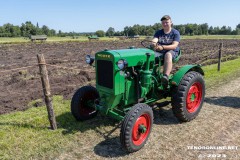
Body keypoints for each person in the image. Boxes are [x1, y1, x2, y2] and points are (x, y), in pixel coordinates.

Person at [152, 15, 180, 88]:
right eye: (163, 23)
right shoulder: (159, 32)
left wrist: (163, 47)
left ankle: (165, 76)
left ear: (171, 23)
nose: (165, 24)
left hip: (172, 51)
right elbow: (155, 39)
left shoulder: (175, 33)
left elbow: (174, 45)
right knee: (149, 55)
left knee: (168, 55)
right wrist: (154, 44)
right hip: (160, 51)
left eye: (166, 22)